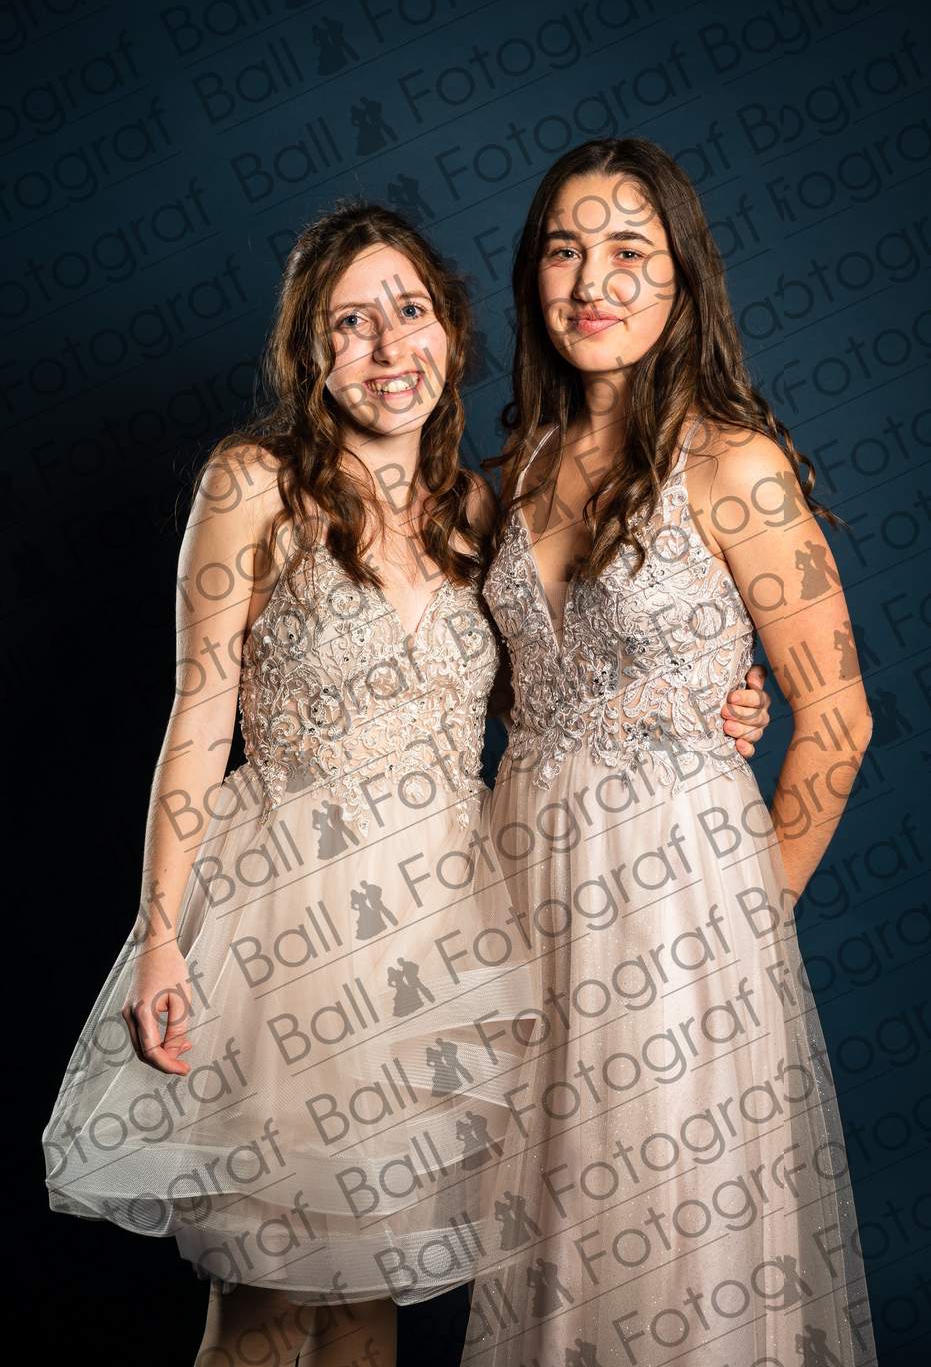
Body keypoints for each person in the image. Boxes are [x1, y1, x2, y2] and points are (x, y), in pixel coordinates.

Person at [41, 199, 771, 1366]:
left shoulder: (478, 508)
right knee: (267, 1298)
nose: (387, 347)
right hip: (292, 922)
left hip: (435, 930)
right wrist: (163, 936)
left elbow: (552, 695)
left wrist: (716, 699)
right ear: (310, 352)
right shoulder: (252, 483)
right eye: (350, 322)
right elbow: (198, 718)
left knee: (369, 1292)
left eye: (410, 310)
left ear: (451, 330)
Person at [463, 138, 877, 1367]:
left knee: (674, 1250)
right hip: (526, 895)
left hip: (682, 916)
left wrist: (746, 916)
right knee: (549, 1238)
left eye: (629, 251)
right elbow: (505, 697)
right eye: (564, 250)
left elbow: (837, 713)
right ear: (533, 278)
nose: (593, 281)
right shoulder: (508, 475)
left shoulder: (733, 464)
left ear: (683, 278)